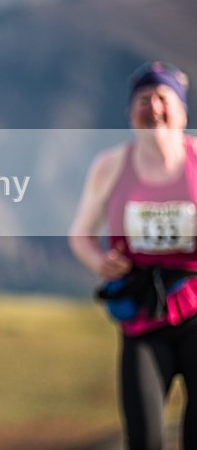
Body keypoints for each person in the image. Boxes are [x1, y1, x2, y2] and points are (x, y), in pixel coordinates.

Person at [69, 61, 197, 450]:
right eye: (143, 100)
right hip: (141, 316)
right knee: (144, 438)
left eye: (162, 98)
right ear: (130, 113)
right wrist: (100, 263)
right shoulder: (110, 166)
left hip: (196, 307)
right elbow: (80, 235)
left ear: (182, 112)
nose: (153, 108)